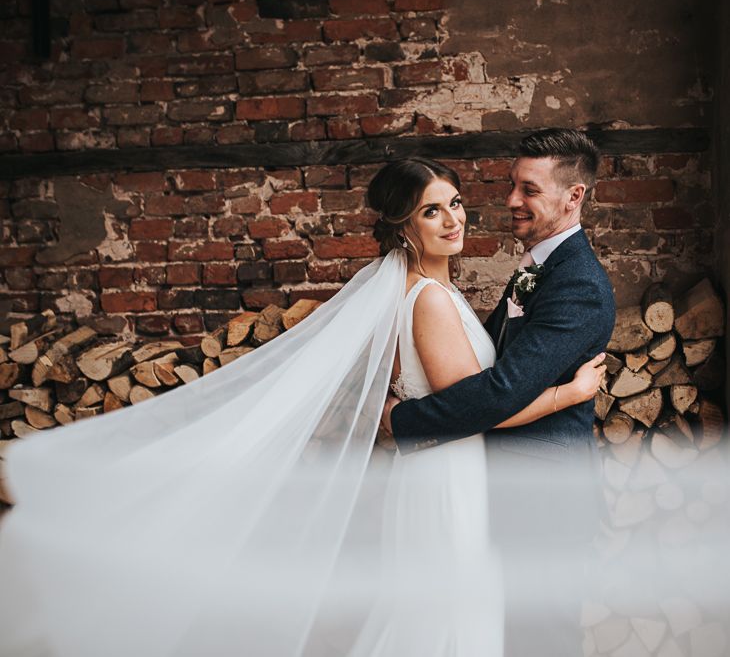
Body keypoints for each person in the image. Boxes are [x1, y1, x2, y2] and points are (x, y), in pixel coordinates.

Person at [0, 150, 605, 657]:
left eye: (454, 203)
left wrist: (403, 414)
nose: (452, 219)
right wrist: (568, 393)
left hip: (448, 473)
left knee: (444, 607)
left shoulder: (423, 290)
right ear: (404, 227)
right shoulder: (429, 301)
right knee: (446, 614)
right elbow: (483, 404)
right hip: (449, 475)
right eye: (431, 210)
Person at [380, 130, 617, 657]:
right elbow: (482, 367)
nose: (511, 200)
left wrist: (405, 423)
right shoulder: (534, 271)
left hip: (543, 500)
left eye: (528, 190)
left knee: (541, 641)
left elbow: (499, 391)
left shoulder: (577, 284)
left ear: (572, 196)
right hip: (494, 491)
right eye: (513, 186)